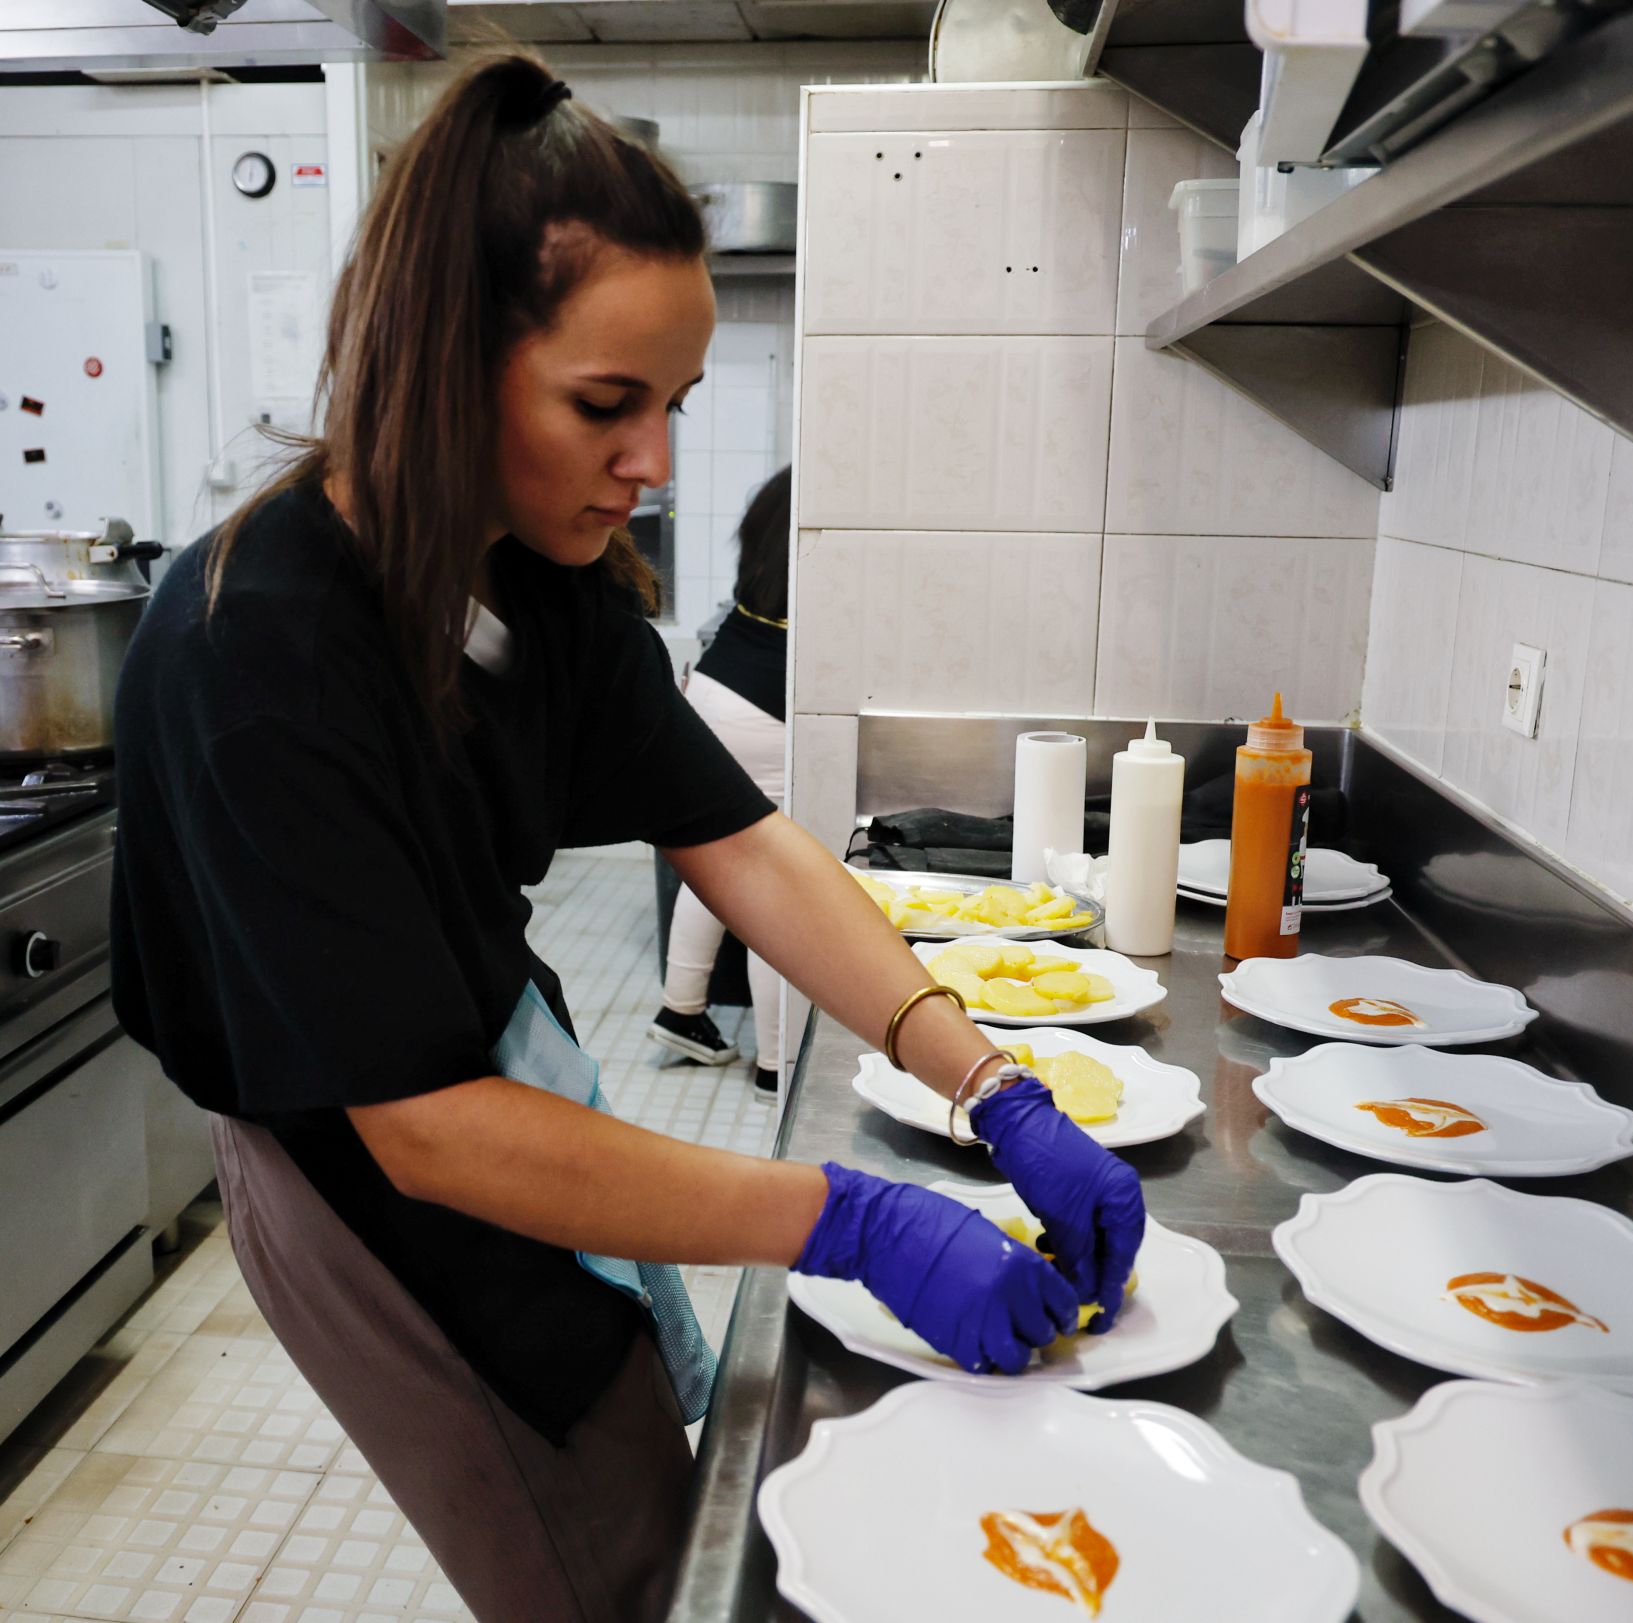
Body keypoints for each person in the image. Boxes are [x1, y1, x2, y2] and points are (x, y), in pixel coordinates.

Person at [108, 54, 1143, 1623]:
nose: (653, 462)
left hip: (485, 1070)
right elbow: (426, 1135)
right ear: (452, 360)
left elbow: (740, 836)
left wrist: (990, 1079)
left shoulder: (530, 584)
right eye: (608, 404)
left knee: (643, 1464)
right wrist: (841, 1216)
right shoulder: (255, 645)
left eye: (672, 406)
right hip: (353, 1169)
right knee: (598, 1552)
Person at [648, 467, 790, 1094]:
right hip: (767, 707)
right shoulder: (827, 512)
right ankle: (775, 1062)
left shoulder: (775, 501)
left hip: (715, 682)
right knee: (775, 882)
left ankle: (681, 1010)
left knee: (718, 853)